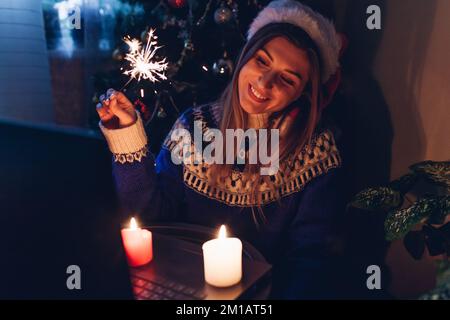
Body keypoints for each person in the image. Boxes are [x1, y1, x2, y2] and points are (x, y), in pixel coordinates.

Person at [96, 0, 349, 299]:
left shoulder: (315, 152)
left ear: (303, 93)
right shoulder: (195, 127)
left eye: (287, 78)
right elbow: (151, 217)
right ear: (245, 57)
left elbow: (309, 258)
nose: (264, 83)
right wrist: (127, 136)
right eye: (262, 61)